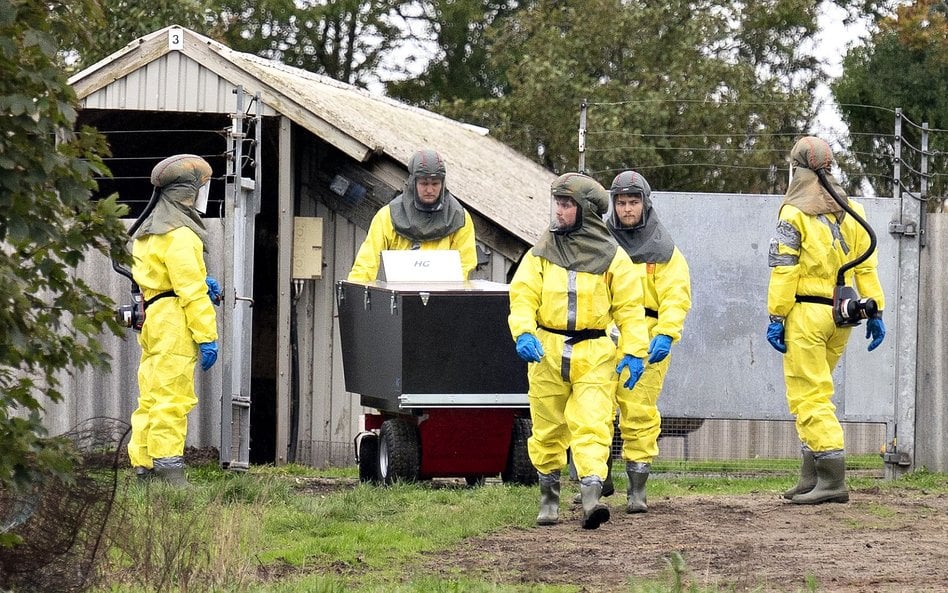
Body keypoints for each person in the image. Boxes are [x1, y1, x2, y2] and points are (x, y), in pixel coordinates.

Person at [508, 172, 650, 530]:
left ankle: (591, 499)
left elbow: (631, 309)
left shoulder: (614, 258)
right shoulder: (540, 253)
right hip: (546, 351)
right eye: (557, 202)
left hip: (595, 352)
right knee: (547, 428)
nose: (559, 210)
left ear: (586, 210)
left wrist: (634, 352)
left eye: (567, 204)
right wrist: (524, 332)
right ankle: (548, 499)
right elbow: (522, 296)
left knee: (593, 426)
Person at [766, 136, 886, 505]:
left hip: (806, 314)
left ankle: (832, 479)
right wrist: (876, 311)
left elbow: (784, 271)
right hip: (841, 315)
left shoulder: (794, 212)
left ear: (797, 169)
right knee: (817, 389)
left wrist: (776, 315)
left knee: (810, 395)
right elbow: (865, 265)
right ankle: (810, 476)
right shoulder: (851, 210)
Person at [128, 154, 221, 486]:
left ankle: (144, 466)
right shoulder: (181, 235)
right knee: (173, 396)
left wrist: (198, 280)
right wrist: (207, 335)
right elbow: (191, 294)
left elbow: (157, 277)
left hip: (154, 317)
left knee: (151, 395)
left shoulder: (148, 232)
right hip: (174, 322)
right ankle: (169, 471)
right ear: (187, 192)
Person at [605, 170, 692, 513]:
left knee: (638, 410)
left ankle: (637, 489)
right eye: (621, 202)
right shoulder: (601, 244)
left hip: (648, 333)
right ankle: (595, 475)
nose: (627, 209)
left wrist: (667, 333)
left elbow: (676, 296)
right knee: (595, 408)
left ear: (646, 203)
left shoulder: (665, 251)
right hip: (606, 333)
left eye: (633, 202)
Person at [347, 148, 477, 282]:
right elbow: (366, 263)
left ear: (443, 183)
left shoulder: (458, 217)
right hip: (400, 296)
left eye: (435, 184)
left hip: (443, 296)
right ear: (413, 182)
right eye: (424, 183)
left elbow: (465, 265)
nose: (430, 190)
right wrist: (354, 294)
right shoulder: (388, 215)